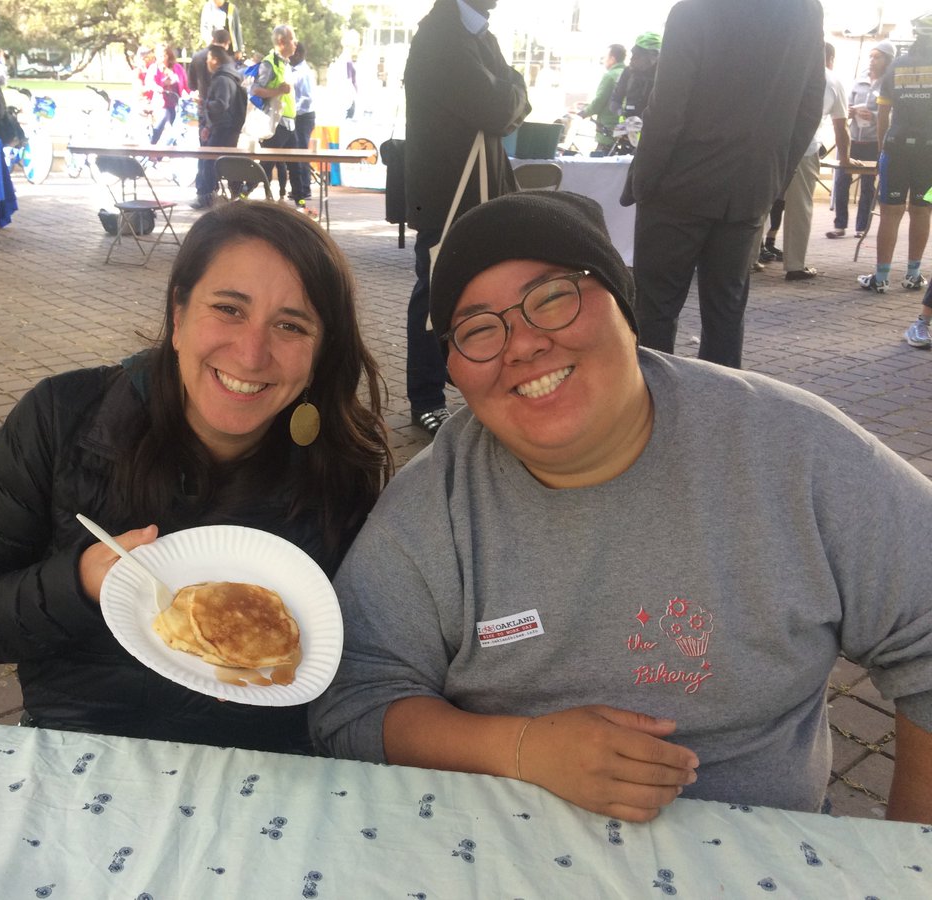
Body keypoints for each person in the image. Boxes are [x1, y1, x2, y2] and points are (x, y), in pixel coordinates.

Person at [310, 189, 932, 825]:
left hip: (762, 852)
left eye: (552, 298)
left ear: (625, 307)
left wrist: (911, 861)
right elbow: (353, 699)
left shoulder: (794, 451)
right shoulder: (436, 502)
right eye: (477, 329)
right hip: (500, 852)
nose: (520, 345)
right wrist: (521, 749)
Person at [0, 201, 392, 752]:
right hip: (83, 740)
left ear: (319, 353)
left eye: (291, 325)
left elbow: (359, 647)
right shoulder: (62, 417)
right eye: (229, 308)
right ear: (178, 314)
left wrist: (289, 672)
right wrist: (80, 583)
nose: (252, 351)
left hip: (265, 755)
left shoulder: (345, 462)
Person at [627, 0, 824, 369]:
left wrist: (644, 180)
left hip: (678, 184)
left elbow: (668, 106)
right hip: (750, 187)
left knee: (655, 310)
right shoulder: (804, 10)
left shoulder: (695, 10)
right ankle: (723, 413)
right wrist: (774, 177)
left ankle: (653, 415)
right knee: (727, 312)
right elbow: (809, 106)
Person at [402, 0, 530, 436]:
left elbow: (506, 104)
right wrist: (514, 87)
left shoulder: (478, 34)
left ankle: (478, 388)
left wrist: (511, 91)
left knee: (485, 292)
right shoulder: (440, 36)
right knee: (435, 297)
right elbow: (500, 108)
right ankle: (425, 398)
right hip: (448, 195)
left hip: (481, 191)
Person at [859, 12, 932, 294]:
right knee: (923, 208)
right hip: (929, 154)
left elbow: (883, 113)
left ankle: (881, 277)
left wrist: (881, 151)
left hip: (896, 149)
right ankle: (913, 274)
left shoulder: (897, 66)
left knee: (890, 212)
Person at [779, 41, 850, 282]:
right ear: (830, 59)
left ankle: (747, 260)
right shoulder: (832, 80)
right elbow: (841, 126)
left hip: (772, 147)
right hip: (805, 149)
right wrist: (847, 157)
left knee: (761, 205)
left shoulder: (786, 70)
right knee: (800, 208)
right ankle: (794, 264)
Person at [828, 41, 893, 240]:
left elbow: (893, 113)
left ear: (887, 60)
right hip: (852, 139)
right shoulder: (859, 80)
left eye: (877, 57)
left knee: (867, 184)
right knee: (841, 180)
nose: (872, 61)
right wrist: (848, 111)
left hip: (873, 141)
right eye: (871, 56)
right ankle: (840, 225)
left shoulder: (889, 83)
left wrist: (873, 116)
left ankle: (861, 226)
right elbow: (846, 103)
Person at [193, 43, 246, 208]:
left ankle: (206, 196)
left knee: (208, 161)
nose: (206, 62)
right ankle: (230, 193)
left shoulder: (222, 79)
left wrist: (205, 103)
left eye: (208, 59)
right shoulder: (230, 77)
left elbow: (221, 104)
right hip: (225, 128)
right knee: (220, 162)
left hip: (223, 128)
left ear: (215, 60)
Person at [253, 24, 299, 200]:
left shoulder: (286, 64)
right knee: (267, 164)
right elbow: (256, 90)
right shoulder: (269, 63)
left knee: (294, 163)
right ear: (282, 42)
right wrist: (278, 91)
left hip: (289, 122)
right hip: (276, 123)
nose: (295, 43)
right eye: (293, 39)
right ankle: (244, 193)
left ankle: (298, 198)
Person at [189, 28, 233, 210]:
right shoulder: (229, 61)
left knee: (204, 153)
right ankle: (220, 191)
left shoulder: (198, 56)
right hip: (225, 117)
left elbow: (191, 83)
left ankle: (204, 192)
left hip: (204, 110)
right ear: (227, 43)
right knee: (221, 155)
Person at [577, 43, 625, 155]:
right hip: (624, 128)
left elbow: (599, 101)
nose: (603, 60)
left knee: (602, 165)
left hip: (608, 130)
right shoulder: (628, 74)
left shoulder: (610, 76)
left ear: (612, 59)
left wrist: (584, 112)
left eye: (605, 57)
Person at [289, 41, 317, 215]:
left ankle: (304, 187)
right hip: (299, 116)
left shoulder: (302, 72)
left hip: (302, 117)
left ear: (297, 53)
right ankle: (300, 187)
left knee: (300, 152)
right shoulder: (294, 70)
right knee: (297, 151)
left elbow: (305, 99)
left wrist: (293, 111)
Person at [609, 32, 659, 124]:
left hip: (652, 129)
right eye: (634, 54)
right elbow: (615, 101)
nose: (632, 59)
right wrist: (623, 113)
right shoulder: (628, 72)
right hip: (627, 127)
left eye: (638, 55)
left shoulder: (661, 77)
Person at [148, 43, 188, 145]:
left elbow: (185, 83)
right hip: (161, 102)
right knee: (163, 118)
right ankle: (152, 145)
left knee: (176, 128)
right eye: (160, 55)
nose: (163, 58)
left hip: (175, 101)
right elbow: (150, 82)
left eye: (165, 55)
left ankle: (170, 150)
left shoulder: (177, 67)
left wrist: (190, 93)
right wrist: (159, 86)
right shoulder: (154, 68)